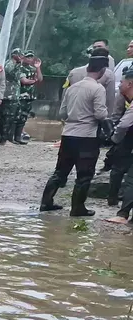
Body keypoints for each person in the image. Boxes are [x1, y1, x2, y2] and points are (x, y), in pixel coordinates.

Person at [41, 56, 109, 216]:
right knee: (84, 175)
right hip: (87, 137)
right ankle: (77, 208)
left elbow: (62, 113)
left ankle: (46, 202)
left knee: (60, 171)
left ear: (88, 69)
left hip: (68, 135)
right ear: (102, 71)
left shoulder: (72, 88)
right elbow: (100, 114)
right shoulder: (98, 89)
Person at [104, 71, 133, 223]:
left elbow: (124, 124)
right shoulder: (122, 98)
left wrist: (114, 138)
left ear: (129, 84)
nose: (119, 84)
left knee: (131, 180)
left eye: (121, 82)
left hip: (127, 143)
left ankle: (123, 215)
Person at [68, 48, 117, 120]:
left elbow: (64, 104)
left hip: (70, 123)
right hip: (91, 124)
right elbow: (110, 100)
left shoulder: (73, 72)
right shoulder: (108, 75)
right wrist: (107, 119)